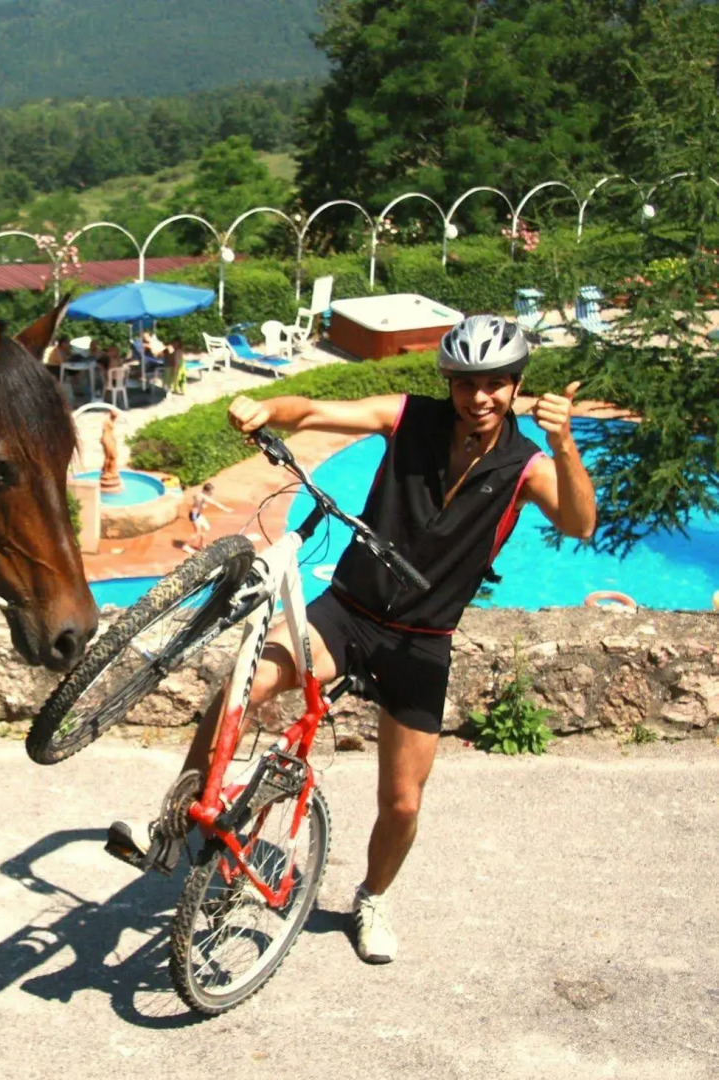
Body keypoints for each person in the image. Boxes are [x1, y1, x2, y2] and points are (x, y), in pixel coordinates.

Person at [107, 314, 596, 964]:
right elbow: (315, 410)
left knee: (402, 800)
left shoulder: (525, 466)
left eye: (495, 384)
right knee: (240, 685)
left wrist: (565, 445)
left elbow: (580, 522)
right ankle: (172, 826)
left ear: (515, 386)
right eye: (466, 384)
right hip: (348, 611)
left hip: (421, 642)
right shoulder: (411, 418)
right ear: (448, 382)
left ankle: (373, 897)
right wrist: (265, 406)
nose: (478, 398)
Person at [181, 482, 230, 554]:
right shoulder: (201, 496)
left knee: (206, 528)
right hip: (194, 516)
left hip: (199, 515)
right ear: (206, 491)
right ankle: (186, 546)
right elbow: (214, 502)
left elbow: (198, 500)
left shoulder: (201, 495)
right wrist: (225, 509)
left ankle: (201, 546)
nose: (211, 493)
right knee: (197, 533)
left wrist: (201, 504)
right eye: (211, 491)